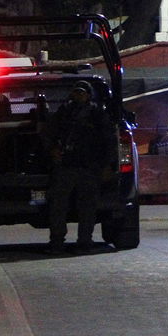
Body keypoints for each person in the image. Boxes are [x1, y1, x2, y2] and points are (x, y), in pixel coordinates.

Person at [42, 79, 115, 253]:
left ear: (89, 95)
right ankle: (57, 242)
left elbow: (108, 141)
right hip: (67, 165)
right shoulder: (64, 112)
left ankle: (84, 242)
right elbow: (49, 133)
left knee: (87, 207)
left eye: (82, 92)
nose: (79, 95)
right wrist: (53, 150)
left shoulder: (97, 114)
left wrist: (107, 165)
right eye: (76, 92)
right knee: (58, 206)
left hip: (89, 167)